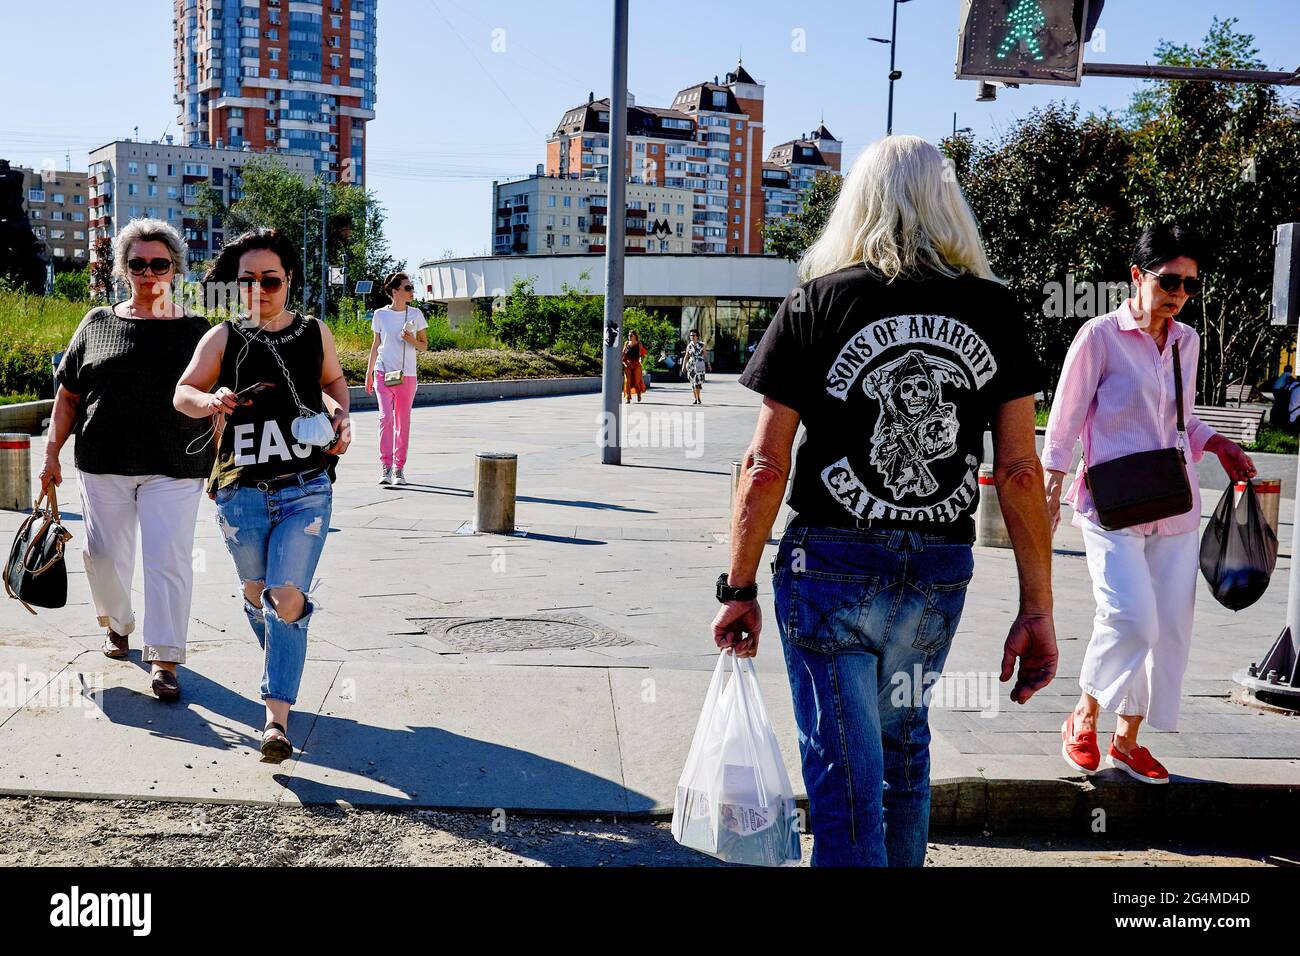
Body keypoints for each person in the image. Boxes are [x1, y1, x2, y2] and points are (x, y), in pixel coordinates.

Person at [716, 135, 1058, 867]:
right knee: (902, 756)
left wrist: (737, 586)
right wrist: (1038, 608)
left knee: (846, 785)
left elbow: (765, 462)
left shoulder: (818, 301)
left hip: (832, 565)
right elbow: (1023, 472)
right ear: (948, 204)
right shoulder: (994, 309)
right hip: (937, 569)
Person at [1044, 222, 1256, 785]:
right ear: (1137, 276)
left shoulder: (1186, 342)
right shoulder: (1099, 336)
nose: (1178, 294)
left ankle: (1127, 739)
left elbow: (1178, 419)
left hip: (1174, 503)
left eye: (1189, 285)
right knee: (1130, 618)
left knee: (1167, 627)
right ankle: (1084, 713)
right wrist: (1049, 482)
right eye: (1168, 281)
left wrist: (1218, 443)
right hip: (1110, 502)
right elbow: (1064, 418)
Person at [174, 229, 352, 763]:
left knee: (285, 595)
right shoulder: (223, 337)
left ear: (289, 280)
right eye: (246, 280)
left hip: (306, 490)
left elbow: (335, 383)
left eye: (270, 279)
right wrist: (209, 400)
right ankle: (280, 648)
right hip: (241, 492)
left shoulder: (314, 332)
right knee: (257, 593)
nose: (258, 289)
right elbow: (182, 393)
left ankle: (275, 720)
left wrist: (342, 414)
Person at [39, 219, 212, 702]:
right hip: (101, 462)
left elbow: (216, 398)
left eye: (160, 263)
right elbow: (69, 395)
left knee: (169, 559)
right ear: (124, 269)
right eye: (138, 263)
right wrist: (51, 454)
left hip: (175, 464)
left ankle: (165, 658)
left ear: (175, 268)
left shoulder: (197, 331)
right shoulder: (97, 323)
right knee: (104, 556)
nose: (149, 272)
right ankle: (117, 624)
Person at [366, 271, 428, 485]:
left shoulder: (416, 314)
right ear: (395, 291)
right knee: (385, 418)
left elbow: (424, 346)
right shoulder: (380, 315)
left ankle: (399, 468)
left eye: (412, 287)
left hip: (406, 376)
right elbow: (376, 345)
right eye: (408, 288)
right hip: (383, 373)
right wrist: (369, 373)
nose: (412, 291)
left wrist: (409, 339)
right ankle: (386, 466)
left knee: (403, 421)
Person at [684, 329, 709, 405]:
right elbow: (686, 356)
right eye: (691, 335)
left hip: (699, 365)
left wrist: (709, 364)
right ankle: (696, 399)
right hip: (691, 365)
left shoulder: (702, 345)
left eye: (693, 335)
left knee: (697, 383)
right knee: (693, 383)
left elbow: (705, 355)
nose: (692, 337)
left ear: (697, 336)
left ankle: (698, 398)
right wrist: (683, 366)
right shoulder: (689, 345)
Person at [622, 331, 647, 403]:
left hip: (636, 364)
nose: (629, 336)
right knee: (627, 381)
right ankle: (628, 398)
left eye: (630, 335)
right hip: (627, 363)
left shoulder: (639, 344)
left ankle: (638, 393)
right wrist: (622, 360)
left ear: (635, 336)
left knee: (636, 381)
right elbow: (623, 353)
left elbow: (642, 354)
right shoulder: (626, 343)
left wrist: (641, 360)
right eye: (628, 335)